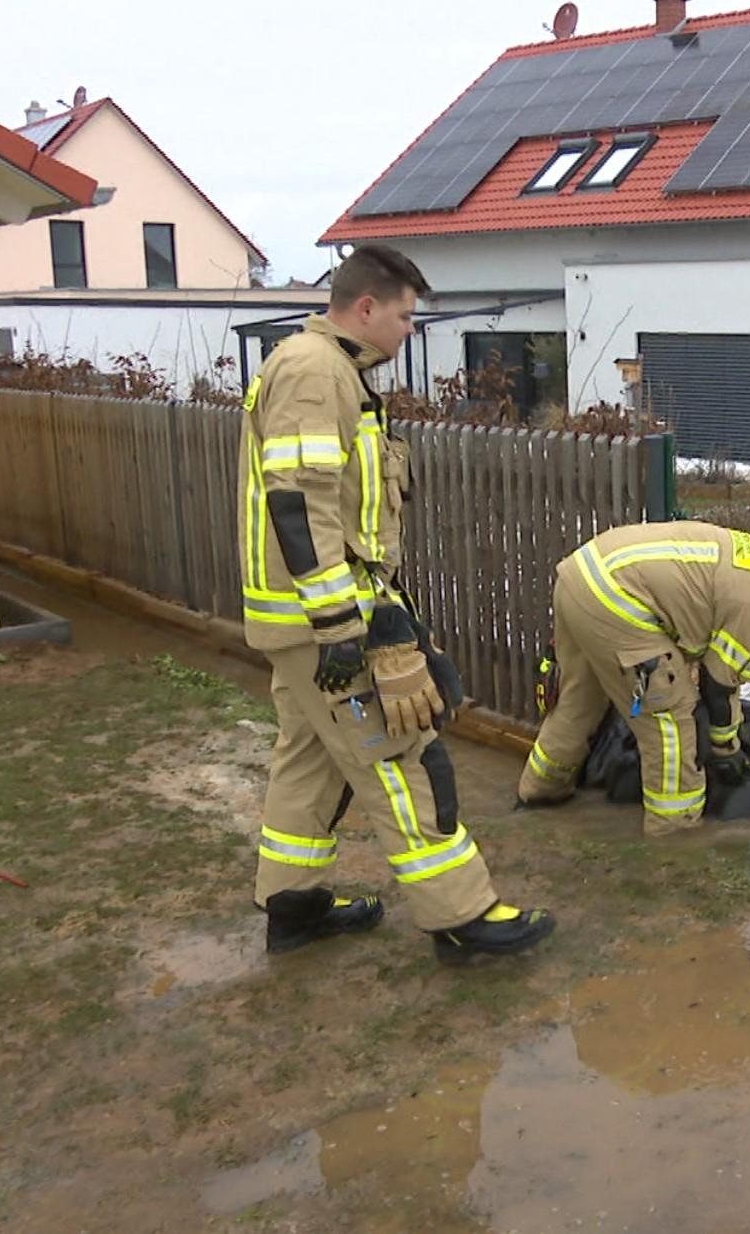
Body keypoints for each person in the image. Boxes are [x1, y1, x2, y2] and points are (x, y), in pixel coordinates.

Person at [238, 244, 554, 961]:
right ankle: (462, 916)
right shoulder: (315, 373)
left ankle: (294, 905)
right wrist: (340, 626)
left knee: (310, 761)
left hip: (303, 622)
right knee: (402, 756)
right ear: (366, 307)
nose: (411, 330)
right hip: (325, 625)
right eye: (406, 316)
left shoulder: (324, 368)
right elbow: (301, 503)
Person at [516, 522, 750, 834]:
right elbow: (718, 684)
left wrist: (729, 736)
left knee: (579, 701)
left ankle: (540, 792)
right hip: (618, 599)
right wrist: (726, 751)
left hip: (581, 576)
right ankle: (675, 833)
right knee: (671, 720)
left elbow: (720, 674)